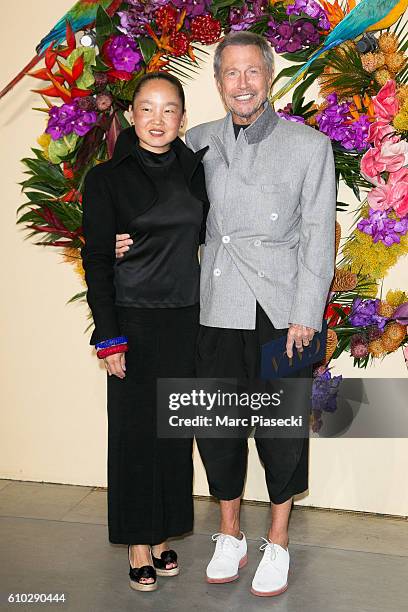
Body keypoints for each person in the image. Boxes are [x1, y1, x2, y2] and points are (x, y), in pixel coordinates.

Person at [116, 32, 336, 597]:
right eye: (230, 74)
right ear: (217, 84)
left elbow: (318, 239)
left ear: (268, 77)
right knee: (217, 430)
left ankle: (279, 540)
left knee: (281, 432)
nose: (242, 83)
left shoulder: (309, 147)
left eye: (252, 72)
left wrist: (306, 313)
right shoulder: (200, 142)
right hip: (215, 307)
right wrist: (121, 237)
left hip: (286, 311)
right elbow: (152, 192)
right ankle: (231, 533)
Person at [81, 72, 209, 593]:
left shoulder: (195, 170)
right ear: (131, 115)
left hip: (186, 320)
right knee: (135, 436)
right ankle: (138, 542)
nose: (158, 120)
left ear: (182, 118)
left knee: (173, 435)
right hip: (132, 321)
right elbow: (95, 261)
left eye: (170, 110)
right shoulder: (106, 179)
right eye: (148, 108)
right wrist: (108, 336)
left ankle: (162, 536)